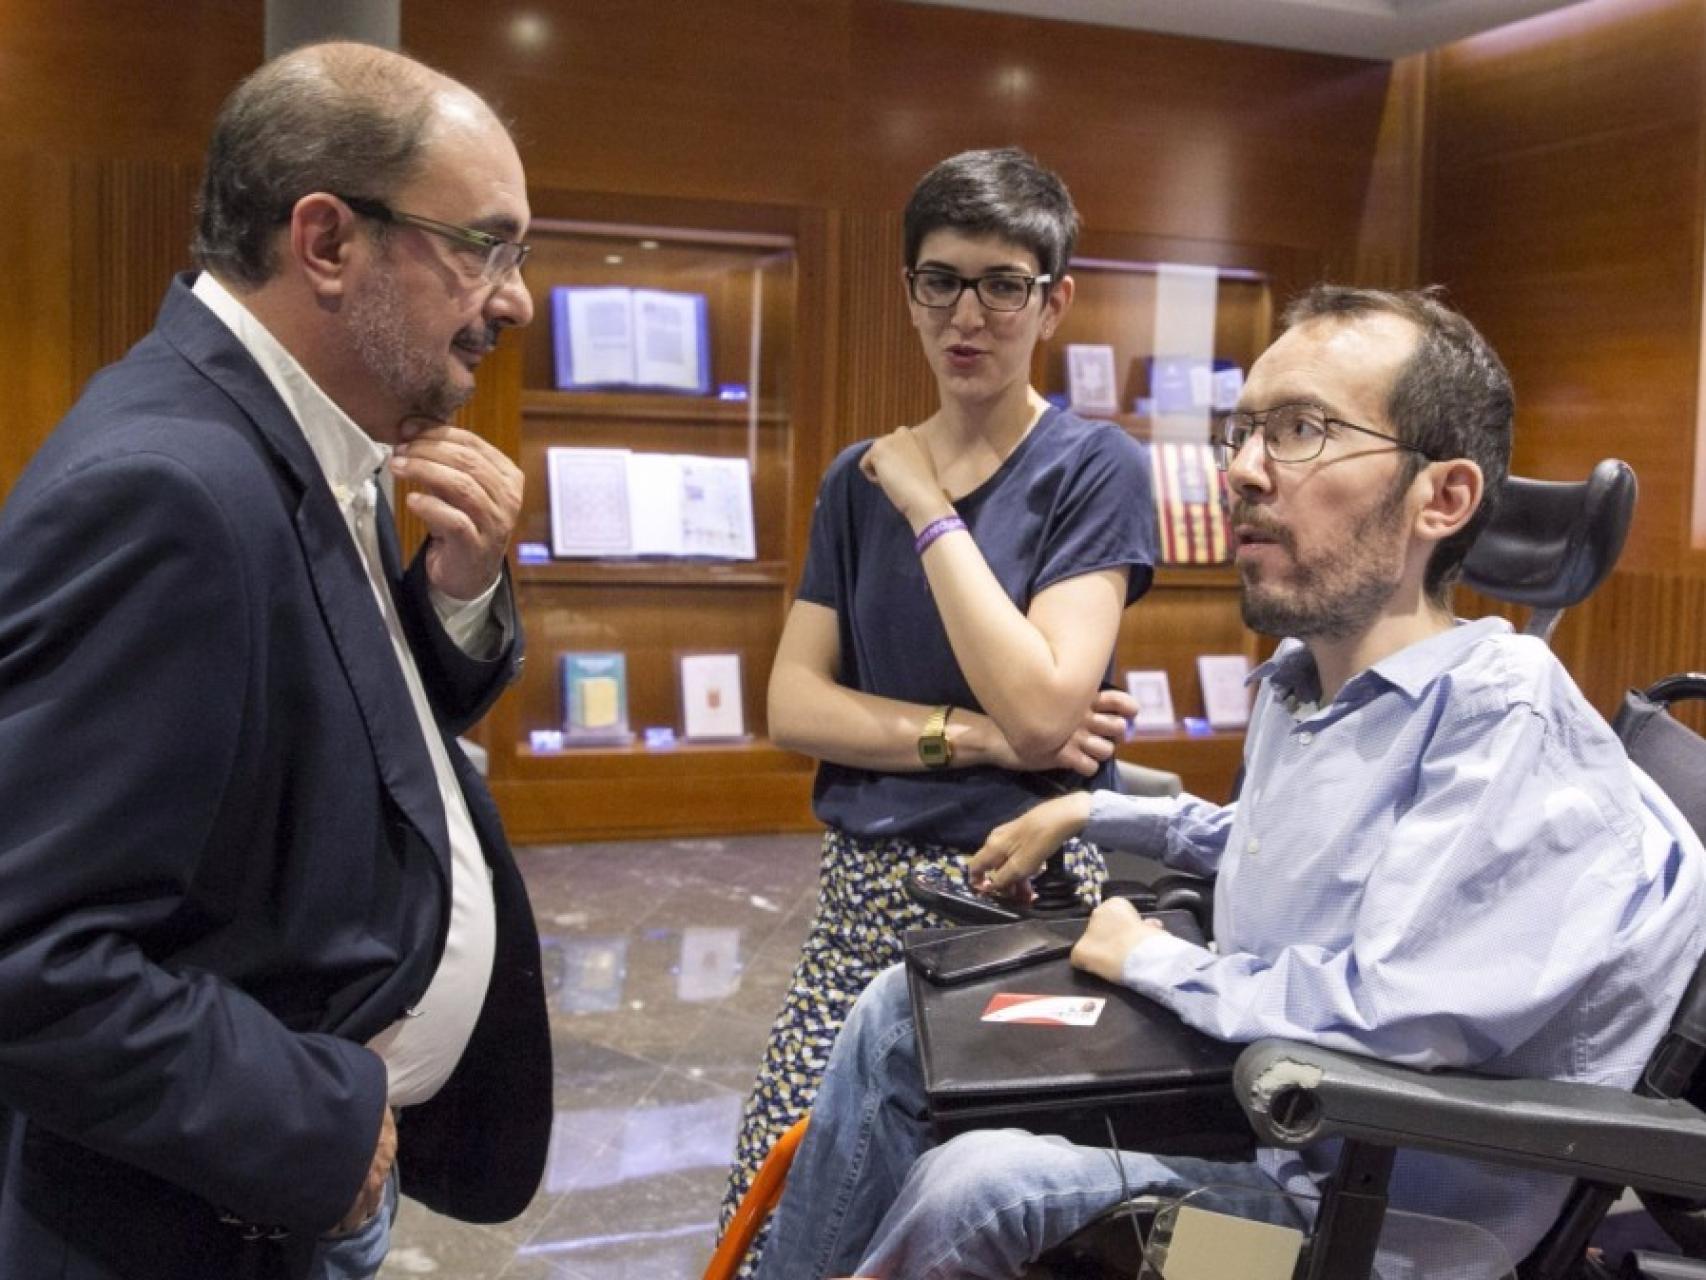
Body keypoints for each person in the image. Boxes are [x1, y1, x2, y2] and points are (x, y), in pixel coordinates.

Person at [754, 285, 1706, 1280]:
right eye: (1241, 431)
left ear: (1443, 497)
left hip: (1345, 1239)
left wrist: (1148, 959)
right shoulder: (1314, 683)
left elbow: (1389, 1016)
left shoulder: (1500, 718)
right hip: (1266, 1131)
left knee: (983, 1186)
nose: (1242, 471)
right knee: (899, 1013)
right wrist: (1097, 806)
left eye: (1300, 430)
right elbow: (1288, 843)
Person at [0, 42, 552, 1280]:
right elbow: (24, 951)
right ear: (326, 240)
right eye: (485, 245)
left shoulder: (290, 430)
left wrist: (454, 598)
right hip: (198, 1215)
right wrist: (318, 1124)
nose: (512, 297)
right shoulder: (168, 488)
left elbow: (317, 711)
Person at [720, 147, 1157, 1262]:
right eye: (939, 279)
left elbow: (1046, 705)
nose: (968, 313)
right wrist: (968, 735)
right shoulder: (849, 477)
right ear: (907, 289)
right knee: (780, 1194)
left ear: (1052, 299)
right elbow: (793, 703)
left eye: (1002, 283)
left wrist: (926, 505)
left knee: (957, 1211)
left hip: (1022, 894)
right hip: (862, 890)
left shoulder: (1089, 464)